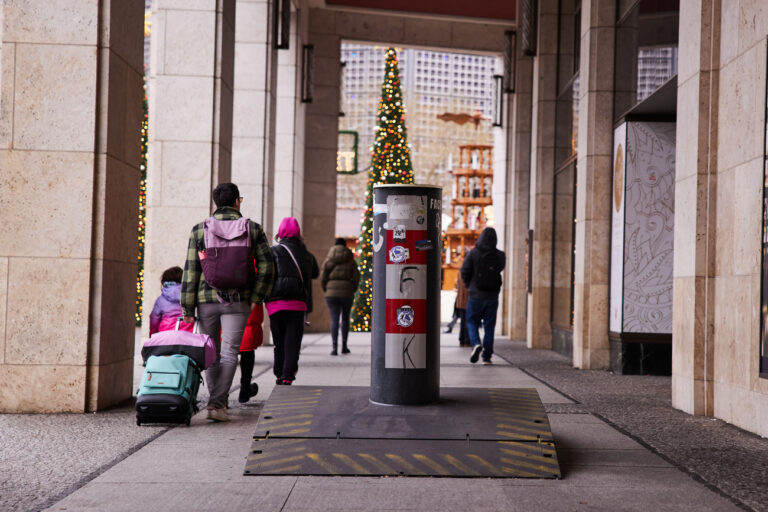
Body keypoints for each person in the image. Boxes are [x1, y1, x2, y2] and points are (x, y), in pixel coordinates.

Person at [181, 183, 274, 422]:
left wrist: (187, 309)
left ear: (215, 203)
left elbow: (191, 271)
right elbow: (267, 266)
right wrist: (256, 296)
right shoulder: (252, 229)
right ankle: (217, 403)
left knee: (211, 352)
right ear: (237, 202)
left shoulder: (199, 230)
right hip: (239, 300)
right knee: (231, 352)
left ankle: (217, 402)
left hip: (206, 300)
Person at [266, 217, 319, 385]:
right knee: (292, 341)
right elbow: (315, 273)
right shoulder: (306, 254)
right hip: (297, 305)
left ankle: (278, 372)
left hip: (275, 304)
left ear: (280, 233)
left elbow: (266, 274)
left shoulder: (273, 251)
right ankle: (287, 375)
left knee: (279, 341)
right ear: (298, 233)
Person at [460, 227, 505, 365]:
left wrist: (470, 286)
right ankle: (487, 356)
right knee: (489, 326)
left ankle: (475, 344)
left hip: (476, 295)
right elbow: (500, 268)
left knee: (472, 321)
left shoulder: (474, 253)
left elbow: (464, 271)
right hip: (492, 296)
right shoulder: (500, 255)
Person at [321, 237, 360, 355]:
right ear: (345, 246)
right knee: (345, 319)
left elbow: (323, 277)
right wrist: (352, 288)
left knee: (334, 319)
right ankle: (344, 346)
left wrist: (326, 289)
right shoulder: (350, 259)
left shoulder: (329, 259)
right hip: (347, 292)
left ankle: (334, 347)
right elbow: (356, 277)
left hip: (331, 293)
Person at [149, 266, 193, 335]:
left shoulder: (161, 300)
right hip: (187, 338)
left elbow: (154, 320)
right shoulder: (190, 297)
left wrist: (152, 335)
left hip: (165, 337)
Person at [238, 304, 263, 403]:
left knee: (226, 353)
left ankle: (222, 397)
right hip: (249, 303)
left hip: (222, 303)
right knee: (247, 349)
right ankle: (245, 389)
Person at [455, 275, 470, 347]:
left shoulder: (460, 273)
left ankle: (462, 339)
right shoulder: (468, 273)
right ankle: (467, 340)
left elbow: (457, 285)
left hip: (460, 301)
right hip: (468, 301)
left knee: (463, 321)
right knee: (468, 321)